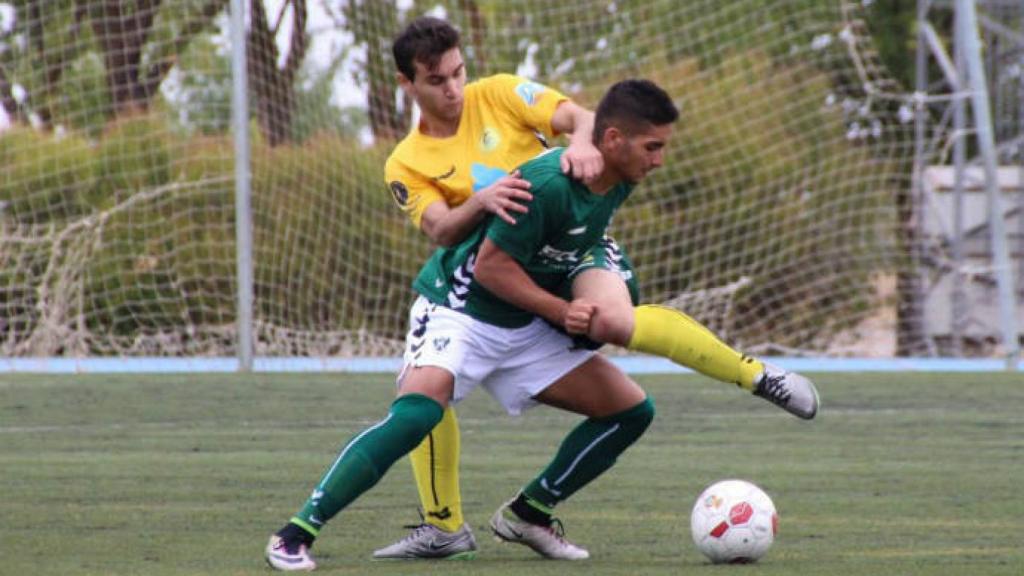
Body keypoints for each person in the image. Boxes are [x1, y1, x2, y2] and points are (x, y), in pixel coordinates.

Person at [264, 79, 818, 571]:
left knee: (630, 409)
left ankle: (530, 512)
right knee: (419, 412)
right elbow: (489, 267)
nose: (660, 160)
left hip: (529, 313)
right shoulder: (548, 185)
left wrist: (575, 302)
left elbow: (581, 124)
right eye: (654, 147)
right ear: (616, 142)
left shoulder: (618, 173)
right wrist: (560, 312)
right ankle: (296, 532)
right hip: (465, 309)